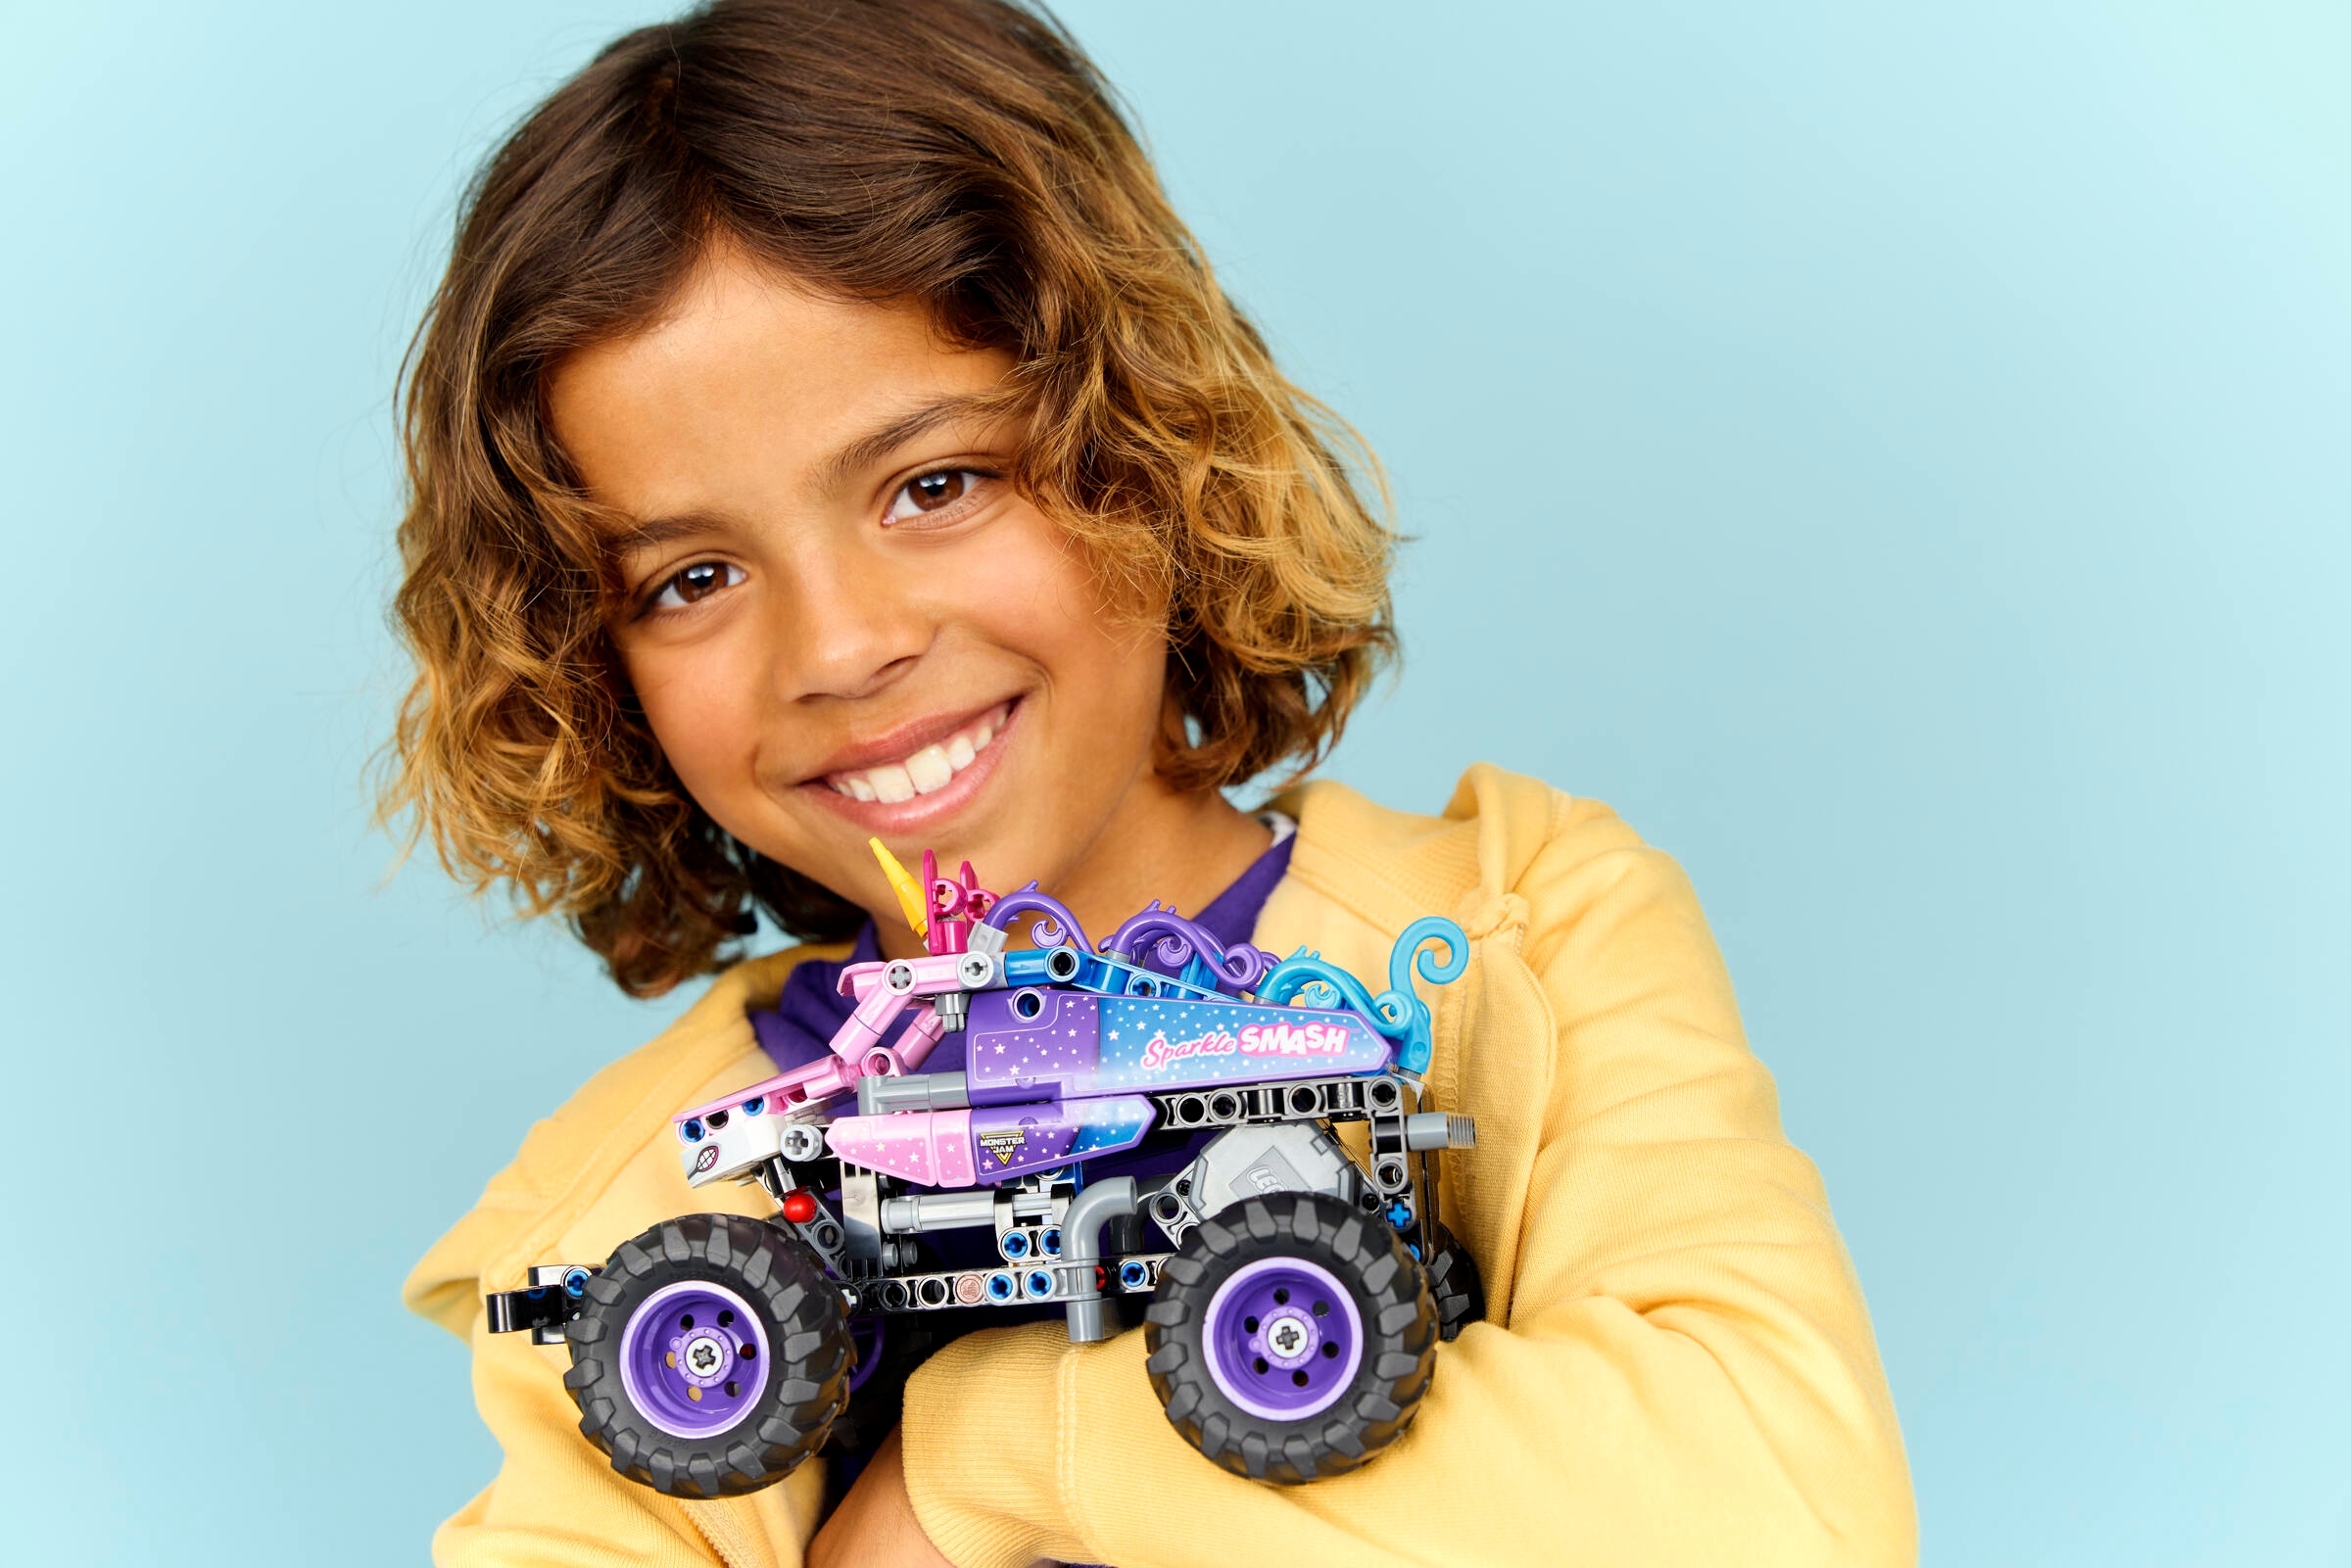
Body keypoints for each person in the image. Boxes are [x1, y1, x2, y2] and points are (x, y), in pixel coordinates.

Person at [384, 2, 1917, 1564]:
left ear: (1141, 448)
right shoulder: (643, 1192)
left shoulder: (1524, 936)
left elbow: (1784, 1512)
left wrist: (975, 1466)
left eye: (935, 483)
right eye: (694, 577)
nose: (840, 646)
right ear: (594, 668)